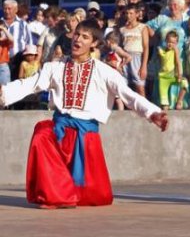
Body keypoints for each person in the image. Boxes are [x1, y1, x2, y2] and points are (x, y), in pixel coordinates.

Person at [0, 19, 168, 208]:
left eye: (85, 37)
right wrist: (4, 92)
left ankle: (68, 191)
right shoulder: (55, 67)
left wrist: (153, 113)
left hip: (86, 136)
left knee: (95, 198)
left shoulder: (105, 72)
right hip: (60, 131)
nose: (78, 40)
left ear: (94, 43)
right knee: (42, 133)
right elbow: (31, 83)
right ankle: (57, 196)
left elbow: (129, 95)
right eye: (77, 34)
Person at [157, 31, 188, 110]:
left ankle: (179, 101)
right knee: (164, 103)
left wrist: (180, 74)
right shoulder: (161, 50)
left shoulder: (175, 51)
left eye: (173, 43)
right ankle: (165, 112)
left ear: (176, 43)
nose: (170, 44)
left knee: (185, 83)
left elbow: (178, 63)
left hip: (173, 75)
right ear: (166, 41)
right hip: (163, 78)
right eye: (169, 42)